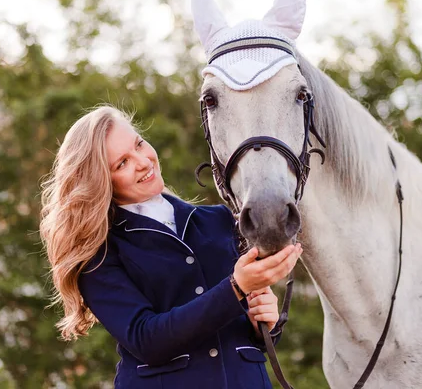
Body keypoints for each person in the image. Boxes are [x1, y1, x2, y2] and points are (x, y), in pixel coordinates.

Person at [39, 105, 302, 389]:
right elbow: (147, 339)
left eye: (139, 144)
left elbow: (247, 336)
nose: (142, 161)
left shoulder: (218, 220)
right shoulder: (97, 253)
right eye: (122, 163)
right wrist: (236, 287)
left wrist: (262, 321)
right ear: (101, 181)